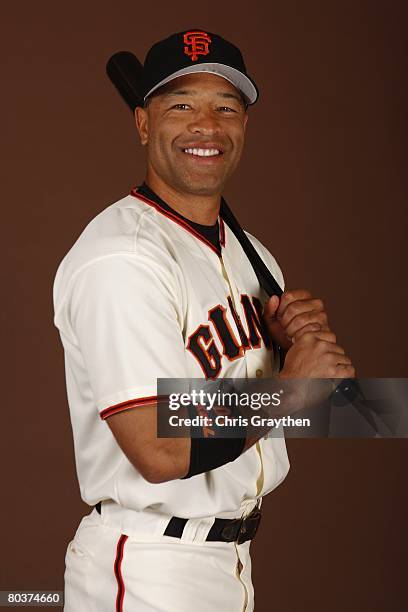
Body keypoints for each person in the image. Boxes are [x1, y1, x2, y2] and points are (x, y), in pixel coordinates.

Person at [53, 28, 355, 612]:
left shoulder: (254, 257)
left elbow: (324, 408)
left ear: (244, 126)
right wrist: (290, 392)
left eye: (226, 107)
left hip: (231, 563)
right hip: (148, 566)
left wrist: (298, 359)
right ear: (144, 123)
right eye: (182, 105)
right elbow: (160, 446)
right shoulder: (122, 257)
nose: (207, 126)